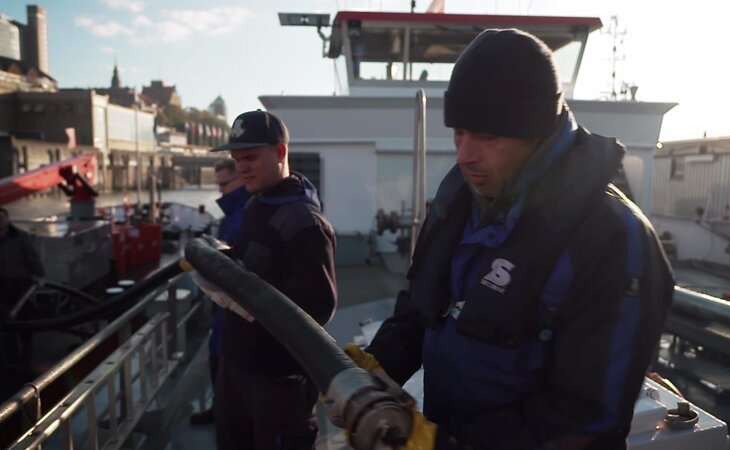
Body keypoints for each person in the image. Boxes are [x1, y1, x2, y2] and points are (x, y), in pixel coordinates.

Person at [347, 29, 675, 449]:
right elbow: (423, 304)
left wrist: (444, 444)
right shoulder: (461, 199)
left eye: (488, 136)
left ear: (536, 132)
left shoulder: (613, 241)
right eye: (459, 132)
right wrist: (379, 363)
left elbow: (587, 417)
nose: (465, 155)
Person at [202, 110, 337, 449]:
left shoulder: (305, 223)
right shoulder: (255, 204)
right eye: (236, 159)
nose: (241, 167)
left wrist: (250, 300)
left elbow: (319, 307)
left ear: (280, 153)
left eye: (250, 157)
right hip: (236, 369)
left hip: (277, 383)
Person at [189, 159, 248, 426]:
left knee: (225, 361)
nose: (221, 191)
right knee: (219, 358)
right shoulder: (235, 213)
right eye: (219, 184)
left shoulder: (243, 214)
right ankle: (220, 409)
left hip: (234, 306)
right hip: (224, 306)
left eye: (225, 184)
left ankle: (225, 414)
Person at [0, 207, 45, 316]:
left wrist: (40, 275)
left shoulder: (21, 237)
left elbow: (32, 256)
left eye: (1, 218)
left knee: (23, 311)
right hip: (1, 282)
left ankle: (25, 331)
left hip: (20, 281)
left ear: (7, 219)